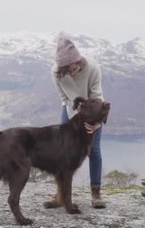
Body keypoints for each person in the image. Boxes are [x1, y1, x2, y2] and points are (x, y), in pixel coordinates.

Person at [45, 36, 106, 209]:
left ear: (77, 60)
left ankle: (96, 194)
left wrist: (96, 123)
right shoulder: (56, 72)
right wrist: (75, 118)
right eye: (64, 69)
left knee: (93, 150)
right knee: (62, 150)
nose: (69, 71)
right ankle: (60, 194)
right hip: (71, 111)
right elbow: (64, 97)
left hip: (93, 112)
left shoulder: (93, 68)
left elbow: (98, 98)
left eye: (70, 67)